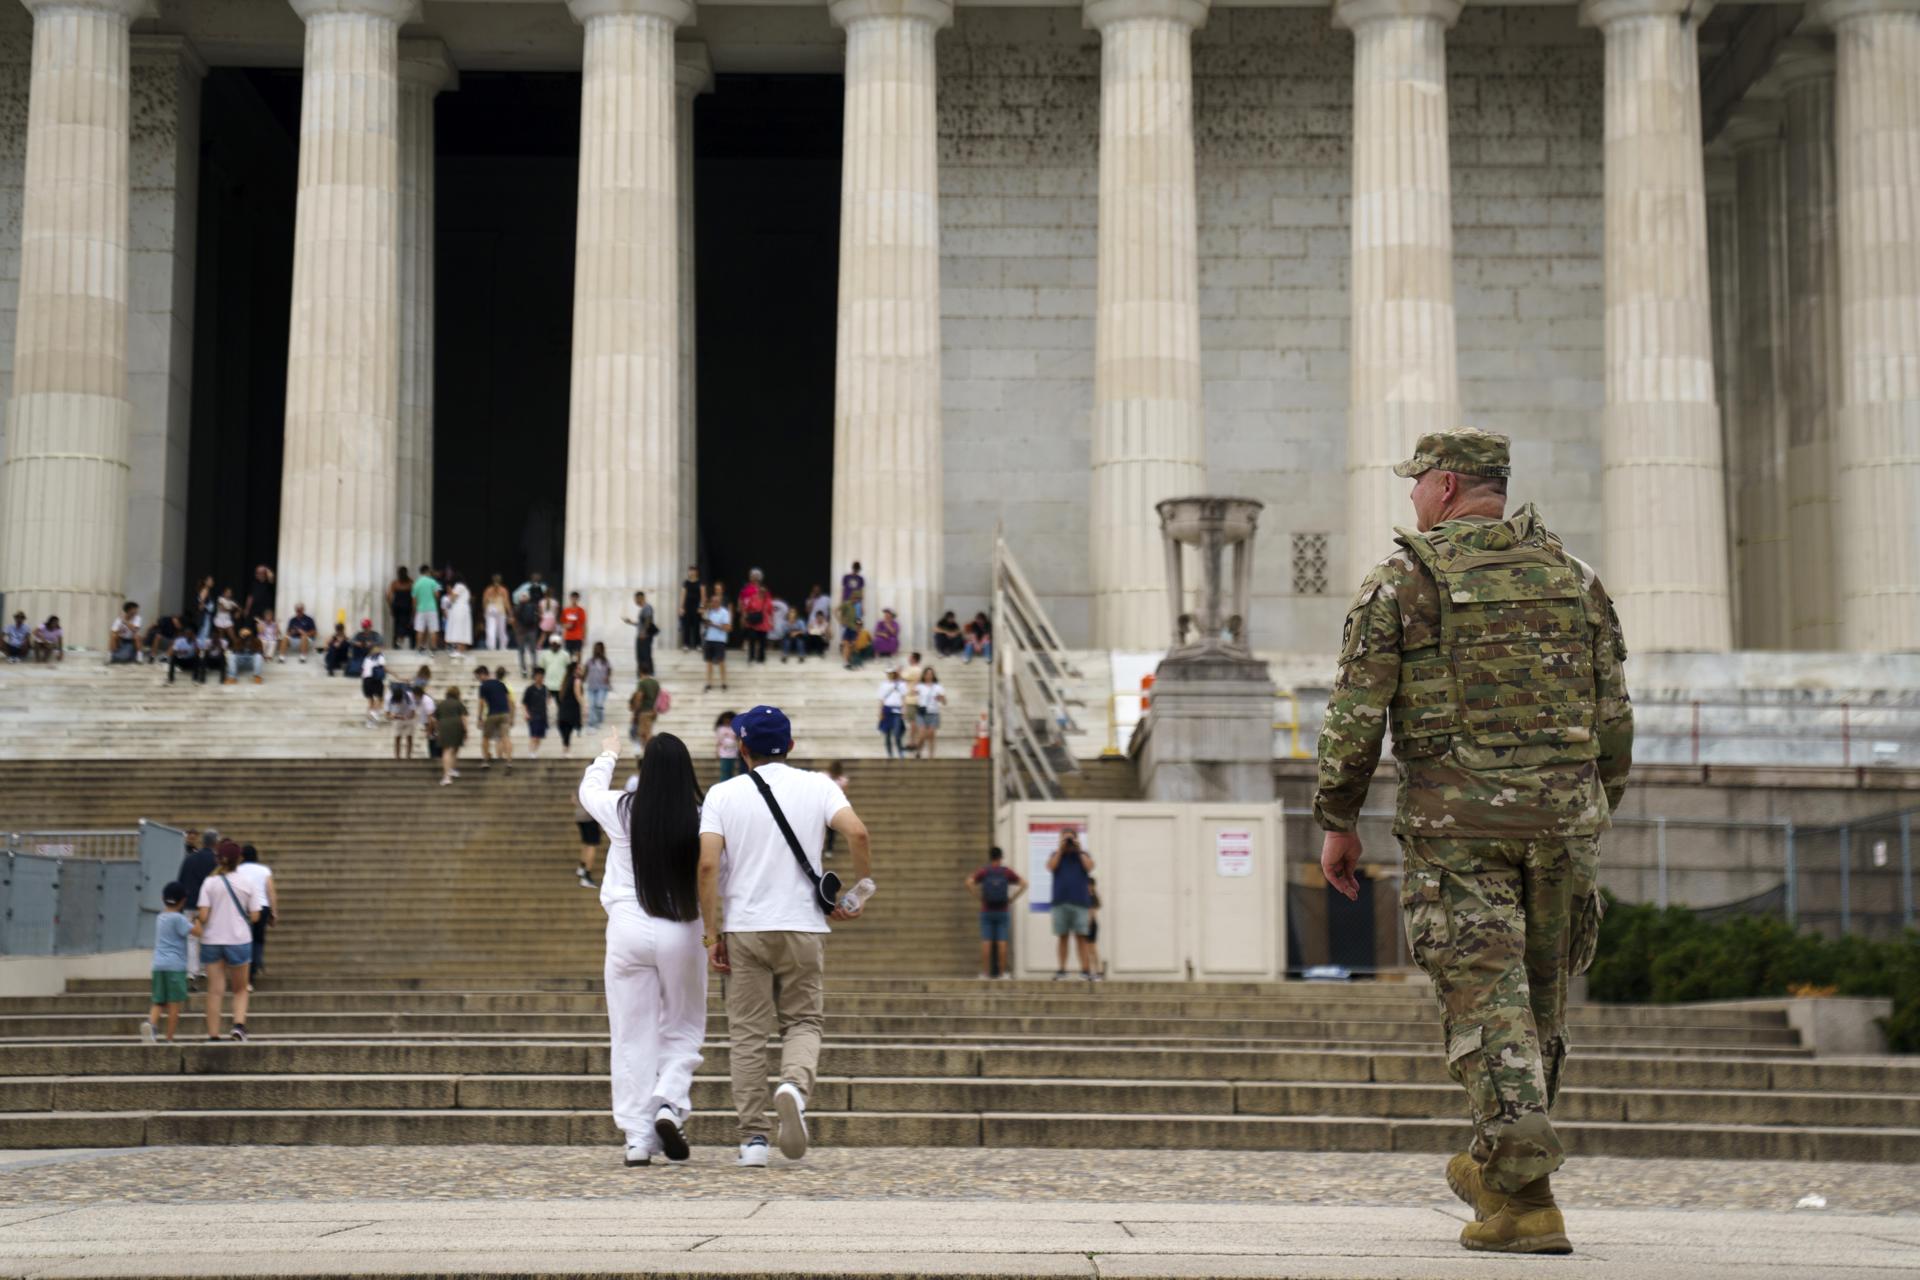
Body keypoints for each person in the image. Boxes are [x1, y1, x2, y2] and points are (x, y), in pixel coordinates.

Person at [1313, 428, 1631, 1256]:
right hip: (1562, 827)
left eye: (1418, 483)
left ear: (1447, 486)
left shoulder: (1404, 582)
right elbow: (1614, 717)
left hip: (1461, 832)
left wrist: (1338, 820)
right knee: (1540, 1013)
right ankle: (1500, 1170)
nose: (1412, 497)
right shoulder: (1577, 579)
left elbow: (1356, 717)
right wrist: (1590, 809)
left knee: (1490, 1010)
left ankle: (1524, 1197)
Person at [698, 704, 872, 1167]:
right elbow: (857, 832)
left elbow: (708, 865)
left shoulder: (721, 794)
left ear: (741, 746)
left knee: (748, 1034)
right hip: (803, 926)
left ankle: (753, 1139)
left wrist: (709, 934)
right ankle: (793, 1084)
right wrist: (860, 889)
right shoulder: (818, 785)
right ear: (790, 746)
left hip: (744, 928)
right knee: (803, 1021)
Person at [580, 731, 709, 1167]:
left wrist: (608, 754)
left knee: (630, 1034)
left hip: (627, 930)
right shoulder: (700, 815)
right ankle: (669, 1102)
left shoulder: (623, 809)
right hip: (682, 928)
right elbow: (717, 872)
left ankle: (637, 1137)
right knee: (684, 1026)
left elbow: (588, 791)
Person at [196, 841, 260, 1040]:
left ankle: (213, 1034)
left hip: (212, 940)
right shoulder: (247, 882)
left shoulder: (209, 882)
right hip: (238, 939)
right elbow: (256, 916)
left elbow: (203, 916)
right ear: (239, 859)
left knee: (215, 990)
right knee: (240, 988)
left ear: (218, 859)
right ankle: (238, 1026)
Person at [140, 881, 195, 1043]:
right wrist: (199, 920)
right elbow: (197, 932)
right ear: (183, 901)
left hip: (158, 966)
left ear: (163, 898)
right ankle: (169, 1038)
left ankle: (151, 1024)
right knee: (174, 1004)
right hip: (175, 967)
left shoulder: (161, 917)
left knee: (158, 1001)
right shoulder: (179, 919)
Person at [966, 847, 1025, 980]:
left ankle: (986, 974)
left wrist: (978, 897)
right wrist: (1013, 898)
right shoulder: (1006, 872)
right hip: (1003, 910)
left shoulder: (984, 871)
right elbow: (1024, 884)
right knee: (1002, 942)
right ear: (1001, 857)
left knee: (986, 941)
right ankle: (1002, 974)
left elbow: (968, 882)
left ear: (990, 857)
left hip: (986, 910)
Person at [1047, 831, 1095, 981]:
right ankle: (1062, 970)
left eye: (1070, 838)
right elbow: (1051, 867)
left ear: (1077, 839)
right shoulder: (1056, 854)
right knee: (1063, 937)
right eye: (1065, 838)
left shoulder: (1083, 854)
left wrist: (1079, 849)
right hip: (1060, 902)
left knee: (1081, 938)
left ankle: (1085, 970)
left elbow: (1089, 867)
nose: (1068, 841)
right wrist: (1061, 850)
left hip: (1080, 902)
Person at [176, 829, 219, 981]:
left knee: (191, 938)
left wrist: (180, 902)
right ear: (215, 843)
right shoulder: (216, 861)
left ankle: (191, 971)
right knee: (206, 936)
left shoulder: (190, 859)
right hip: (208, 905)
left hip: (189, 903)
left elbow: (180, 880)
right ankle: (203, 969)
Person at [234, 845, 277, 986]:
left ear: (242, 856)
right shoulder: (264, 870)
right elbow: (271, 891)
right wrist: (274, 911)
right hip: (262, 907)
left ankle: (246, 975)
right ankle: (255, 966)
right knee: (258, 940)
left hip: (244, 908)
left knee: (245, 941)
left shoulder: (237, 870)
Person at [476, 665, 514, 773]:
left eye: (478, 676)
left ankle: (486, 761)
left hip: (492, 714)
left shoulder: (483, 686)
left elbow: (481, 702)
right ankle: (509, 761)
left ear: (483, 674)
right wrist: (511, 716)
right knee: (505, 737)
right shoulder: (501, 684)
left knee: (485, 737)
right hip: (505, 714)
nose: (478, 679)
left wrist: (479, 717)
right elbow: (509, 701)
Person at [435, 685, 468, 785]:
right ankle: (449, 773)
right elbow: (464, 718)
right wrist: (466, 730)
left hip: (444, 726)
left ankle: (448, 774)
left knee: (447, 750)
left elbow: (435, 718)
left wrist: (437, 729)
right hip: (457, 725)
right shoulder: (459, 703)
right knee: (454, 748)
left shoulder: (441, 704)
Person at [739, 570, 771, 665]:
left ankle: (761, 658)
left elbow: (770, 609)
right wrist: (744, 615)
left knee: (762, 641)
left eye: (757, 576)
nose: (755, 578)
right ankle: (751, 657)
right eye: (753, 575)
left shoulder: (767, 595)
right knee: (751, 639)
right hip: (752, 621)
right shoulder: (747, 591)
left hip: (763, 621)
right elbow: (743, 603)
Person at [702, 589, 731, 693]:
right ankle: (709, 683)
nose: (713, 603)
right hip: (709, 639)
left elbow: (727, 627)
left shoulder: (725, 612)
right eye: (712, 601)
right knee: (709, 662)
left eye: (715, 601)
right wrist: (706, 623)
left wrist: (713, 624)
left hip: (719, 640)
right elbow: (705, 623)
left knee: (721, 662)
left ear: (719, 602)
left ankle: (724, 682)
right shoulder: (709, 612)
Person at [914, 665, 947, 757]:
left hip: (934, 713)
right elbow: (912, 693)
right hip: (922, 712)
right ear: (924, 675)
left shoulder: (938, 687)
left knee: (931, 735)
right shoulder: (920, 686)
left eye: (931, 674)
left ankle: (931, 755)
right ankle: (919, 750)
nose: (929, 675)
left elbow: (944, 701)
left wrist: (941, 698)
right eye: (927, 674)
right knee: (922, 734)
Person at [573, 784, 601, 889]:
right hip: (589, 817)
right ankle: (586, 876)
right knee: (592, 844)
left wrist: (580, 806)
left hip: (579, 815)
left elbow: (573, 798)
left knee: (586, 842)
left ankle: (581, 867)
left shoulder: (583, 779)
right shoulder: (596, 780)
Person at [877, 669, 908, 758]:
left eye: (891, 673)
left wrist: (904, 709)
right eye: (888, 673)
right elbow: (881, 699)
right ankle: (890, 755)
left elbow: (903, 698)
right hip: (887, 710)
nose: (890, 675)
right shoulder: (883, 685)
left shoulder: (901, 684)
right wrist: (880, 712)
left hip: (897, 711)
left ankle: (900, 752)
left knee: (897, 733)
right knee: (887, 735)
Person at [625, 590, 657, 676]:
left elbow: (648, 620)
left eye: (636, 599)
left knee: (644, 655)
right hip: (642, 635)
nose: (635, 601)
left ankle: (647, 673)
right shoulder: (643, 609)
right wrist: (631, 622)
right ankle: (643, 673)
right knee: (641, 656)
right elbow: (641, 623)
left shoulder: (647, 607)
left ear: (640, 598)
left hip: (644, 636)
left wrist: (643, 633)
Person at [514, 584, 543, 676]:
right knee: (525, 651)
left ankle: (531, 668)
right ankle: (525, 669)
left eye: (525, 596)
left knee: (530, 651)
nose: (524, 598)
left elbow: (538, 616)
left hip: (528, 631)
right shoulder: (519, 607)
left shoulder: (531, 606)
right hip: (526, 631)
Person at [411, 564, 442, 652]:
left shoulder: (416, 583)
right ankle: (433, 648)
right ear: (428, 571)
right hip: (432, 608)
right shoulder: (433, 582)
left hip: (420, 609)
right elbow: (437, 595)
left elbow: (414, 599)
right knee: (433, 629)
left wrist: (415, 610)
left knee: (419, 629)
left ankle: (418, 647)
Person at [630, 668, 662, 751]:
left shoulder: (642, 683)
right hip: (653, 711)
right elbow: (659, 696)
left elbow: (639, 697)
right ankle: (648, 752)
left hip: (644, 711)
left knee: (644, 734)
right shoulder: (655, 683)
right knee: (647, 731)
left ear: (641, 672)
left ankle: (649, 752)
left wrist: (635, 711)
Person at [557, 659, 585, 753]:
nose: (581, 670)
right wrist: (584, 706)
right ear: (575, 669)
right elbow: (578, 695)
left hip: (564, 708)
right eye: (579, 668)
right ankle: (566, 748)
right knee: (568, 729)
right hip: (572, 709)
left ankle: (566, 748)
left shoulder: (566, 680)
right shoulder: (576, 680)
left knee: (565, 729)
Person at [443, 575, 473, 659]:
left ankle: (459, 651)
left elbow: (452, 598)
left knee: (459, 629)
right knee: (463, 629)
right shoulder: (466, 588)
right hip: (464, 609)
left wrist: (449, 599)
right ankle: (461, 650)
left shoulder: (459, 586)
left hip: (459, 609)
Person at [523, 667, 551, 756]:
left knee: (539, 736)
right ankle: (531, 752)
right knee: (533, 735)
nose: (540, 678)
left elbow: (548, 698)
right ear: (534, 677)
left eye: (541, 676)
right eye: (538, 676)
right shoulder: (530, 689)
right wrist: (526, 713)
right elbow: (524, 702)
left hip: (543, 715)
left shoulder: (545, 688)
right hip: (533, 715)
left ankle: (534, 751)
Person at [586, 642, 614, 729]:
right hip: (591, 686)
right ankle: (592, 722)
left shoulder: (605, 662)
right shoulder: (590, 661)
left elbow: (609, 670)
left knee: (598, 704)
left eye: (599, 648)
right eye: (596, 648)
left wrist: (608, 677)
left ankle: (599, 718)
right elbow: (585, 671)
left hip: (602, 687)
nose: (597, 650)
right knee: (592, 705)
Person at [389, 681, 420, 759]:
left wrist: (407, 717)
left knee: (409, 736)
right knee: (397, 737)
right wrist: (397, 717)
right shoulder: (390, 698)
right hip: (398, 719)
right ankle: (397, 756)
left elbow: (413, 712)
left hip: (409, 718)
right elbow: (390, 714)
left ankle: (408, 756)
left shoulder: (409, 697)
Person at [387, 567, 414, 650]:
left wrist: (391, 607)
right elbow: (414, 597)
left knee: (397, 625)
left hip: (397, 607)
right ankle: (409, 644)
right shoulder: (410, 583)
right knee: (408, 626)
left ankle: (397, 643)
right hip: (407, 607)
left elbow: (389, 596)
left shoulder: (395, 583)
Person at [483, 575, 512, 652]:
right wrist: (510, 613)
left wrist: (485, 611)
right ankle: (503, 646)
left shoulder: (488, 590)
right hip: (500, 608)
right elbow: (506, 602)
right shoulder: (503, 590)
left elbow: (485, 601)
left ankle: (491, 646)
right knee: (502, 629)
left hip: (490, 608)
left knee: (490, 628)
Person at [360, 644, 388, 726]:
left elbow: (362, 669)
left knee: (370, 701)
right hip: (375, 679)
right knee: (380, 698)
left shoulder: (367, 657)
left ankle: (369, 722)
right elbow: (383, 668)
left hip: (366, 680)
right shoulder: (380, 656)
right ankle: (373, 715)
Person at [679, 565, 704, 651]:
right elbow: (683, 595)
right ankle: (686, 644)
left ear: (696, 572)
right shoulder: (686, 583)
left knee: (697, 626)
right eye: (690, 571)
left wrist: (702, 607)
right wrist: (681, 607)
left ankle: (698, 644)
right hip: (687, 606)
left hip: (697, 606)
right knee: (686, 626)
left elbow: (703, 596)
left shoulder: (700, 582)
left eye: (693, 570)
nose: (692, 572)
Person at [714, 710, 741, 781]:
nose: (727, 721)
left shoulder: (735, 728)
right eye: (726, 720)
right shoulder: (721, 729)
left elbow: (738, 739)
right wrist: (717, 752)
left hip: (733, 752)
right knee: (725, 770)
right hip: (724, 753)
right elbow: (718, 741)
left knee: (731, 770)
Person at [561, 592, 588, 659]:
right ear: (570, 598)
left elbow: (584, 624)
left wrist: (584, 637)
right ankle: (570, 668)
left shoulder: (581, 611)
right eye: (573, 598)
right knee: (568, 655)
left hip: (578, 636)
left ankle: (578, 667)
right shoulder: (566, 610)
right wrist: (566, 626)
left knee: (578, 653)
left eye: (576, 598)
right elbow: (562, 623)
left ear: (578, 599)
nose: (574, 600)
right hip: (568, 637)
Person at [840, 560, 865, 625]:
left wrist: (861, 605)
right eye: (855, 568)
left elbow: (861, 592)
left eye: (857, 568)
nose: (856, 570)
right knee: (845, 622)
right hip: (847, 601)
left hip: (856, 602)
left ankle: (856, 634)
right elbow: (843, 590)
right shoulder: (846, 577)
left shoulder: (860, 578)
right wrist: (842, 602)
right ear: (853, 568)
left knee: (857, 622)